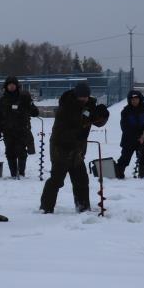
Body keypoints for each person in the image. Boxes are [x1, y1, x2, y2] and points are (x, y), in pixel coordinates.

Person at [39, 81, 109, 214]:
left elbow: (97, 122)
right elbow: (70, 126)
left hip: (77, 150)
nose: (83, 99)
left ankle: (83, 208)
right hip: (60, 148)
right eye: (81, 97)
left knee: (81, 180)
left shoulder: (88, 106)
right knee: (57, 180)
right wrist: (79, 131)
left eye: (86, 97)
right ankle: (46, 208)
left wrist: (103, 115)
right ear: (76, 95)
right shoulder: (66, 107)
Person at [0, 76, 39, 178]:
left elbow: (35, 113)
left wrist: (30, 103)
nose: (11, 86)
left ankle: (21, 173)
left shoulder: (24, 98)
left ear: (17, 86)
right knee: (10, 152)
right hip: (8, 130)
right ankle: (13, 173)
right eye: (9, 85)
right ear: (6, 86)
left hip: (22, 129)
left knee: (21, 152)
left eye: (13, 84)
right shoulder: (3, 99)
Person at [115, 90, 144, 179]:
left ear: (140, 99)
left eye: (136, 98)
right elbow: (124, 127)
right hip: (129, 139)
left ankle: (142, 177)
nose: (134, 101)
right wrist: (137, 137)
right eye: (132, 99)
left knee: (143, 158)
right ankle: (119, 176)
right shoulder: (125, 111)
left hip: (143, 139)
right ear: (129, 100)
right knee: (124, 158)